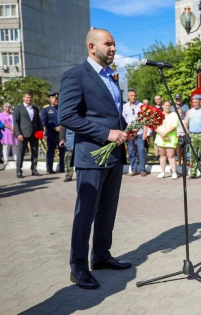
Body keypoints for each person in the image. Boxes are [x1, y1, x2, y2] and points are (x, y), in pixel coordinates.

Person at [58, 28, 135, 290]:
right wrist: (106, 133)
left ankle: (101, 255)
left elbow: (111, 114)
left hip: (114, 154)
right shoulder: (75, 76)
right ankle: (78, 266)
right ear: (92, 47)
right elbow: (67, 116)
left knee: (107, 209)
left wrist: (127, 129)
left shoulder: (112, 78)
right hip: (91, 155)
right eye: (108, 44)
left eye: (114, 44)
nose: (113, 49)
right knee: (86, 212)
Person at [13, 92, 43, 178]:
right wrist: (18, 133)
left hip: (34, 134)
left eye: (30, 98)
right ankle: (19, 170)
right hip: (23, 134)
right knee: (21, 152)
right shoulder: (18, 108)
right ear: (23, 98)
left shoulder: (35, 108)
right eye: (27, 97)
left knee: (35, 152)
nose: (29, 99)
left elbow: (38, 121)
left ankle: (34, 169)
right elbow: (16, 122)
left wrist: (40, 132)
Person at [122, 90, 148, 177]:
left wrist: (145, 132)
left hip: (139, 131)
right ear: (128, 97)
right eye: (131, 95)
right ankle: (133, 169)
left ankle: (142, 169)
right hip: (129, 132)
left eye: (135, 95)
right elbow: (123, 119)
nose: (133, 97)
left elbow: (145, 120)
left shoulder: (141, 106)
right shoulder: (124, 106)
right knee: (131, 151)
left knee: (141, 150)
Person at [41, 92, 65, 174]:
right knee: (51, 151)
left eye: (57, 99)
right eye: (54, 99)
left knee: (63, 151)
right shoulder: (46, 109)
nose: (56, 100)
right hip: (51, 133)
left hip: (62, 132)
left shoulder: (62, 108)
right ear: (50, 99)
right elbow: (44, 122)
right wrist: (54, 128)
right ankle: (49, 169)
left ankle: (62, 168)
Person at [155, 100, 179, 179]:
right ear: (162, 106)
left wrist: (165, 133)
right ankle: (162, 172)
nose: (167, 107)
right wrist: (162, 134)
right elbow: (154, 126)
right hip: (160, 138)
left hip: (170, 138)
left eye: (169, 106)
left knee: (171, 156)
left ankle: (174, 172)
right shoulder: (158, 114)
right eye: (166, 105)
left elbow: (174, 126)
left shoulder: (174, 114)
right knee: (162, 156)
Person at [0, 103, 18, 169]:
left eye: (9, 107)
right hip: (6, 132)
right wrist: (11, 128)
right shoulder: (1, 115)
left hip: (14, 132)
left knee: (15, 145)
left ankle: (16, 158)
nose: (8, 108)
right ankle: (6, 159)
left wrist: (14, 128)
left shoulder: (12, 114)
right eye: (6, 107)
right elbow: (3, 123)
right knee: (6, 146)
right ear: (4, 108)